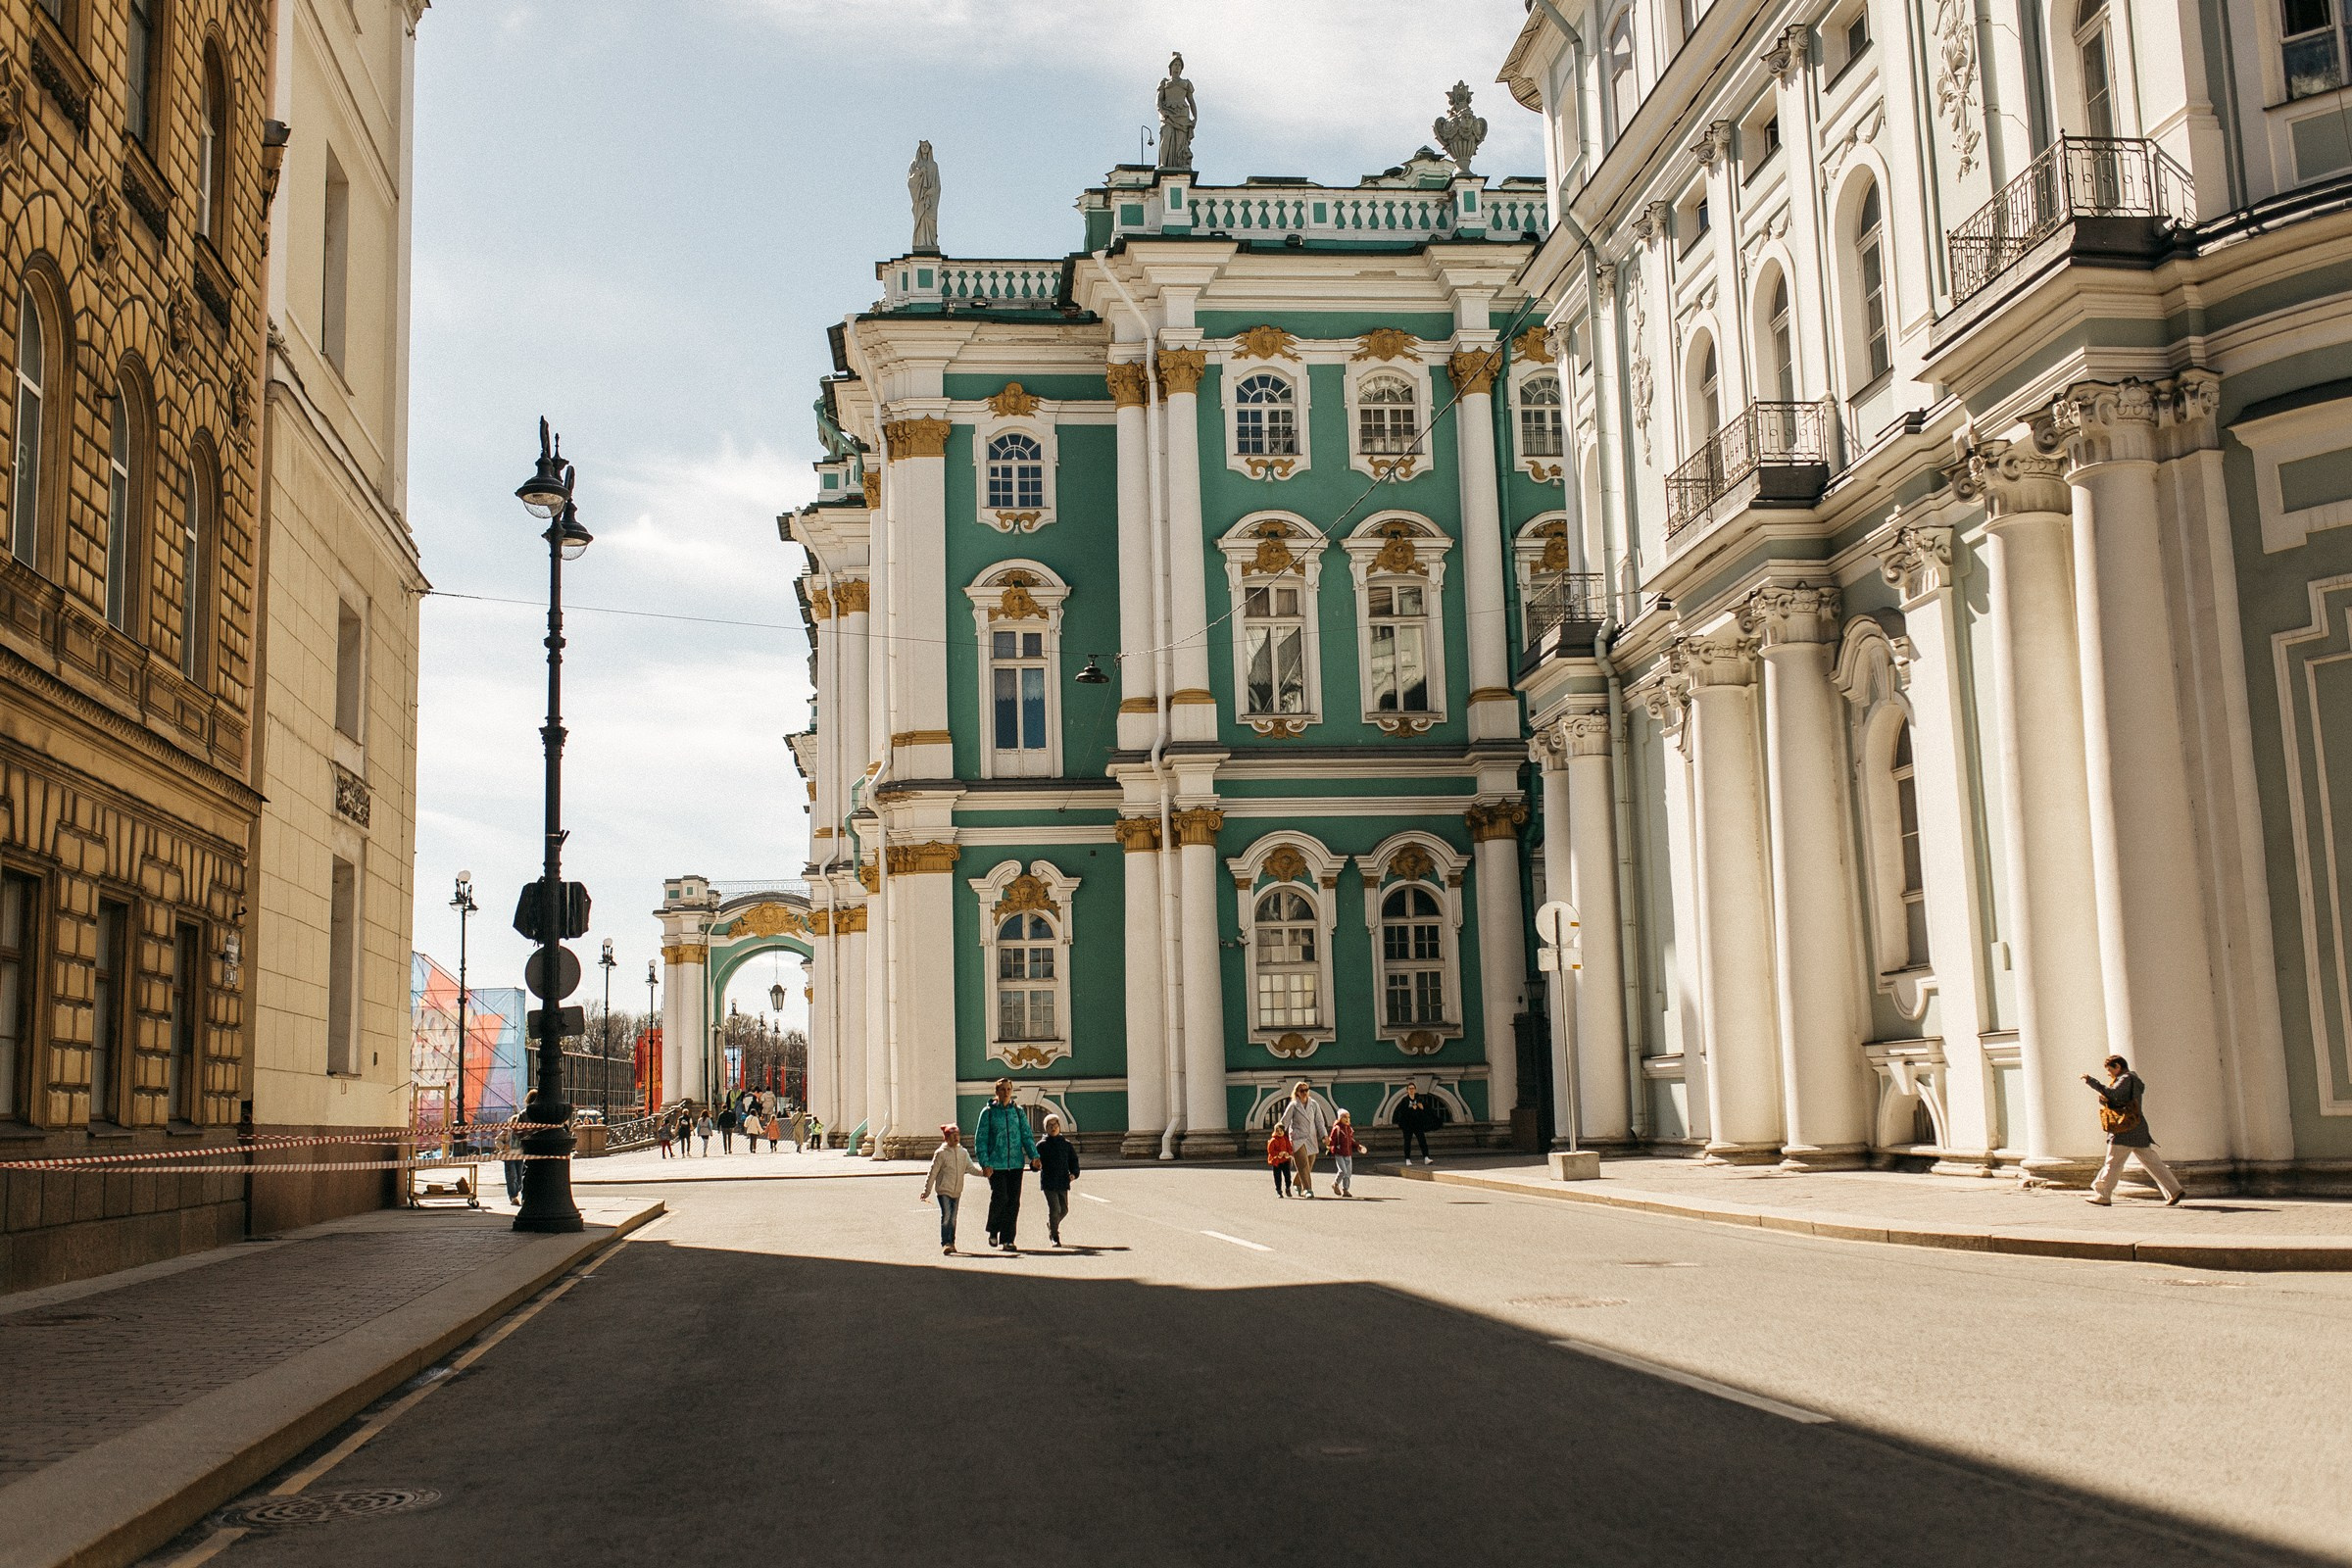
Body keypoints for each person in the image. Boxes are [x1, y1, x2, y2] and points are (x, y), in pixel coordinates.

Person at [2082, 1055, 2185, 1206]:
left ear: (2117, 1066)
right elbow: (2120, 1100)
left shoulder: (2125, 1079)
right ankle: (2174, 1190)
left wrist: (2092, 1082)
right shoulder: (2133, 1080)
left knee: (2113, 1163)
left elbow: (2114, 1095)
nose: (2109, 1074)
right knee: (2152, 1162)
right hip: (2138, 1128)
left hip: (2124, 1129)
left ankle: (2103, 1195)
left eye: (2110, 1070)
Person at [974, 1079, 1040, 1251]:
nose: (1006, 1092)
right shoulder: (988, 1113)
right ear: (996, 1092)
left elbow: (1026, 1135)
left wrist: (1034, 1156)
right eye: (1002, 1089)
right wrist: (985, 1163)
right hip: (996, 1164)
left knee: (1013, 1201)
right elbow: (980, 1140)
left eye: (1008, 1089)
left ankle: (1008, 1239)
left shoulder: (1017, 1112)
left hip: (1016, 1163)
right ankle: (993, 1230)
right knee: (1000, 1197)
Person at [921, 1123, 985, 1254]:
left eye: (957, 1135)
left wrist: (984, 1173)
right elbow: (932, 1173)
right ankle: (945, 1243)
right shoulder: (941, 1153)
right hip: (944, 1190)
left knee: (953, 1217)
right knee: (947, 1215)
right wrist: (926, 1191)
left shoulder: (963, 1152)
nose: (956, 1138)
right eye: (952, 1136)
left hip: (957, 1191)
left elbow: (970, 1168)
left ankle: (952, 1242)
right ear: (946, 1138)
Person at [1279, 1081, 1333, 1199]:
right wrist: (1279, 1133)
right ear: (1297, 1093)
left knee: (1309, 1164)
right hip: (1297, 1138)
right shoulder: (1293, 1105)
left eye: (1306, 1090)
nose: (1304, 1092)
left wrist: (1324, 1136)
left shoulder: (1314, 1104)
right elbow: (1284, 1121)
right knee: (1303, 1164)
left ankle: (1297, 1182)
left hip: (1311, 1138)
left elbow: (1319, 1121)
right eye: (1301, 1090)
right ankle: (1308, 1189)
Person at [1037, 1114, 1081, 1247]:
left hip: (1063, 1181)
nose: (1053, 1128)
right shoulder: (1041, 1145)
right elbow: (1035, 1162)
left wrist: (1074, 1174)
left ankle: (1052, 1224)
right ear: (1046, 1128)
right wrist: (1035, 1165)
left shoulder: (1066, 1144)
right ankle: (1054, 1236)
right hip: (1049, 1182)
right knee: (1055, 1208)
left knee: (1064, 1209)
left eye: (1055, 1125)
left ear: (1059, 1127)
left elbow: (1073, 1161)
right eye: (1050, 1126)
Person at [1395, 1084, 1438, 1165]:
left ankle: (1426, 1157)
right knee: (1407, 1142)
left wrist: (1421, 1107)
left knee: (1422, 1141)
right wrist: (1411, 1109)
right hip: (1408, 1125)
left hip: (1418, 1124)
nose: (1411, 1090)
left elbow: (1425, 1109)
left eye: (1413, 1088)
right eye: (1410, 1088)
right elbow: (1402, 1112)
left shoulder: (1419, 1099)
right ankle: (1407, 1159)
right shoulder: (1405, 1100)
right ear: (1407, 1090)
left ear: (1415, 1089)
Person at [1328, 1108, 1361, 1197]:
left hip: (1348, 1154)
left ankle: (1345, 1190)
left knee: (1348, 1173)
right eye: (1344, 1117)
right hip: (1339, 1153)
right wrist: (1329, 1143)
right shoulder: (1337, 1128)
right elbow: (1332, 1140)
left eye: (1348, 1117)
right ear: (1340, 1118)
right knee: (1343, 1170)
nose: (1347, 1119)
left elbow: (1351, 1141)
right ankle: (1335, 1184)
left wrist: (1358, 1146)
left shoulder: (1349, 1129)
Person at [1267, 1122, 1295, 1198]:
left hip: (1285, 1161)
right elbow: (1270, 1151)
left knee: (1288, 1177)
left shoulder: (1285, 1139)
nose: (1279, 1132)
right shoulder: (1273, 1140)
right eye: (1277, 1130)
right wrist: (1278, 1154)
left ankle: (1288, 1188)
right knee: (1277, 1177)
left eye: (1281, 1130)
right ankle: (1279, 1191)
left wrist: (1287, 1154)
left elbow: (1289, 1148)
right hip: (1276, 1162)